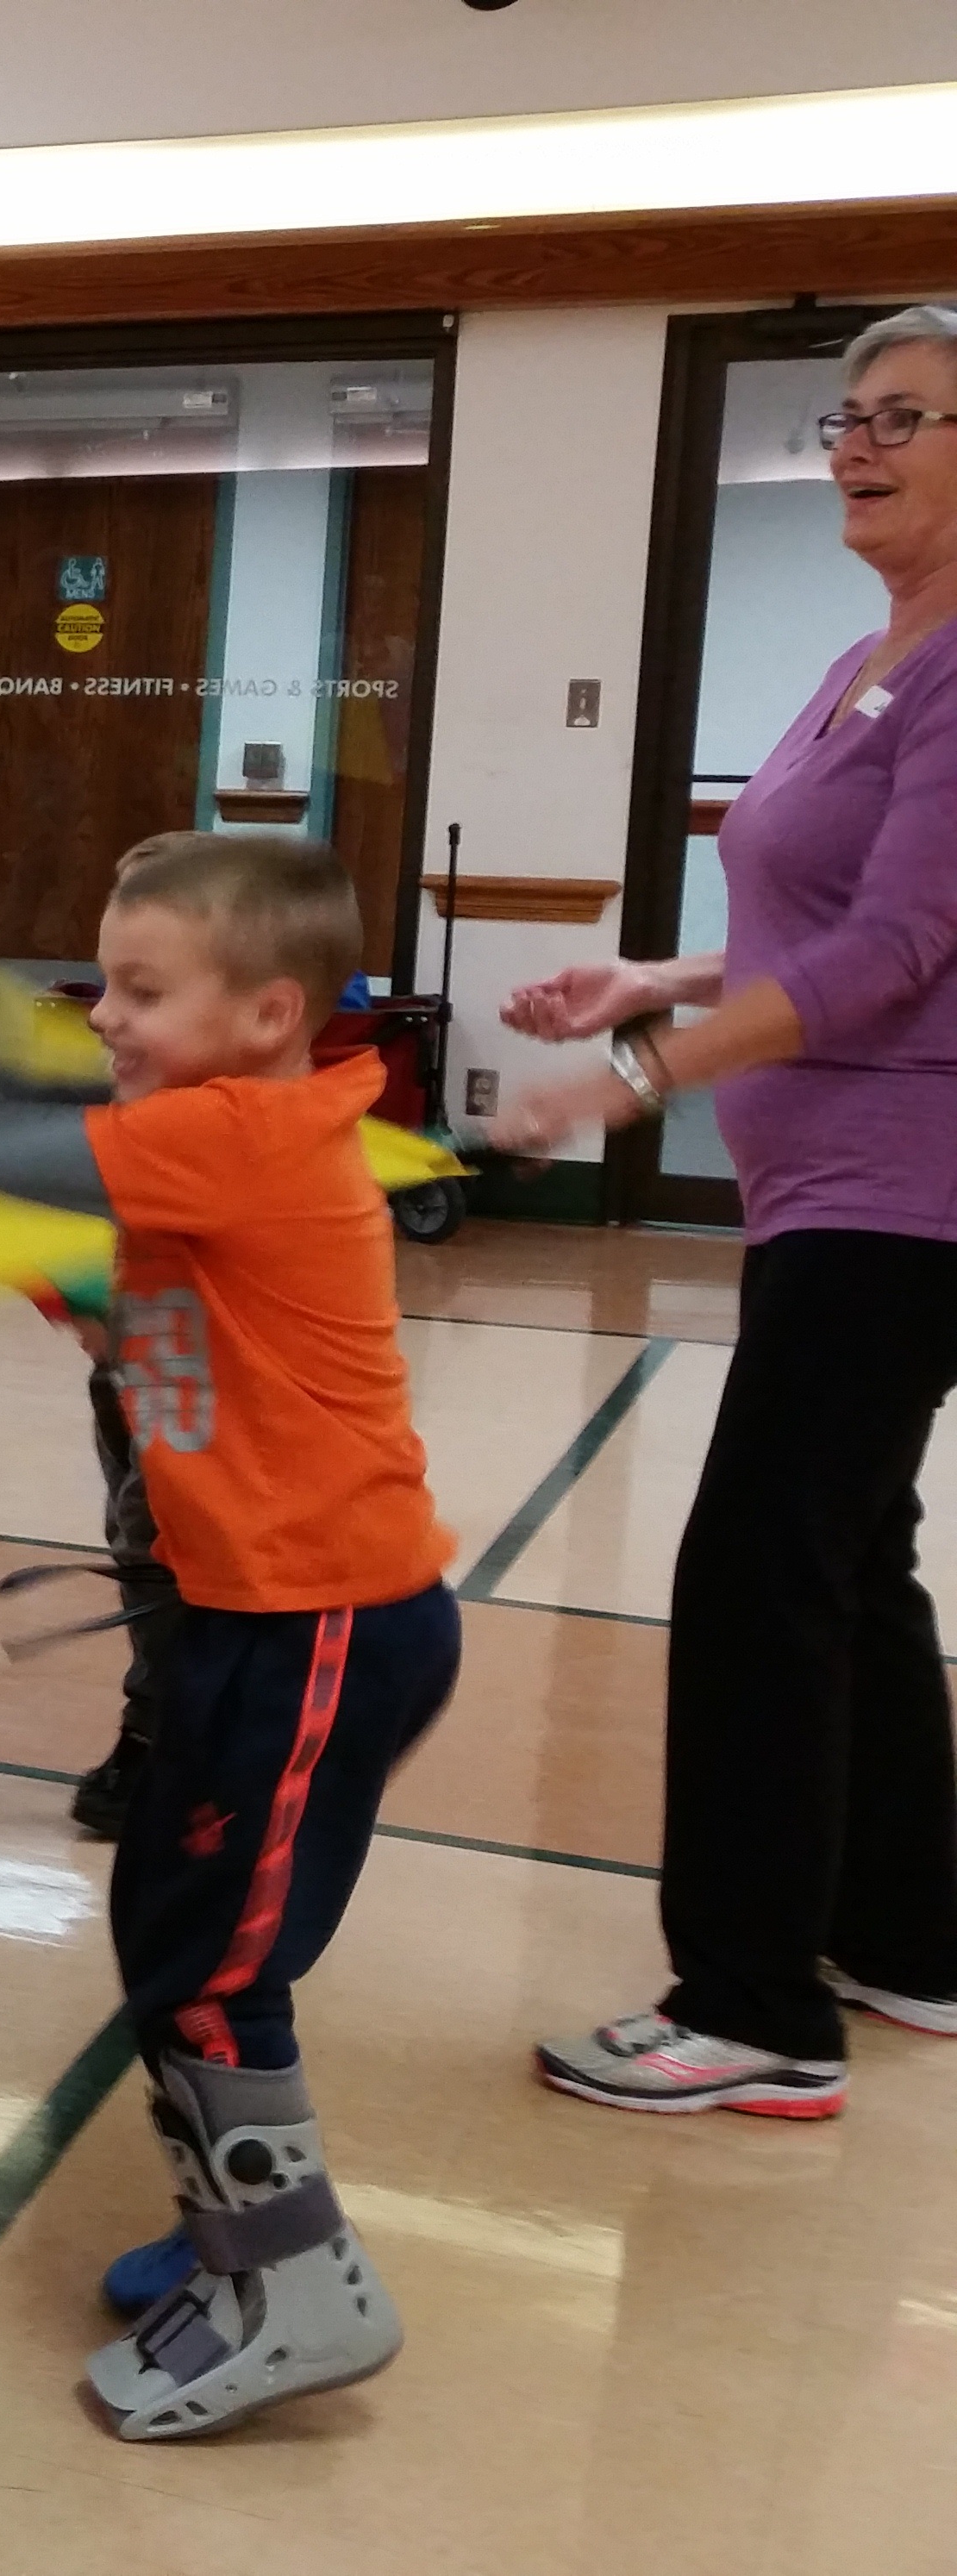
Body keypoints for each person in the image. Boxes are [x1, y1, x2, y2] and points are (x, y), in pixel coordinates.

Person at [0, 832, 456, 2440]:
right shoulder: (204, 1148)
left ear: (267, 1015)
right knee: (174, 1933)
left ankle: (298, 2288)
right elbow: (85, 1247)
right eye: (102, 984)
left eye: (140, 990)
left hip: (319, 1625)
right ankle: (236, 2229)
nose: (104, 1016)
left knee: (210, 1965)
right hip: (251, 1619)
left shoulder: (245, 1132)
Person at [493, 302, 957, 2116]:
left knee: (762, 1569)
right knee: (848, 1557)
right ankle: (909, 1939)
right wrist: (653, 980)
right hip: (830, 1192)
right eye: (845, 418)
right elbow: (815, 912)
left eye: (903, 418)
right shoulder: (871, 655)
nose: (856, 446)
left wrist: (632, 1080)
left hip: (902, 1193)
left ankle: (753, 2005)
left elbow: (898, 950)